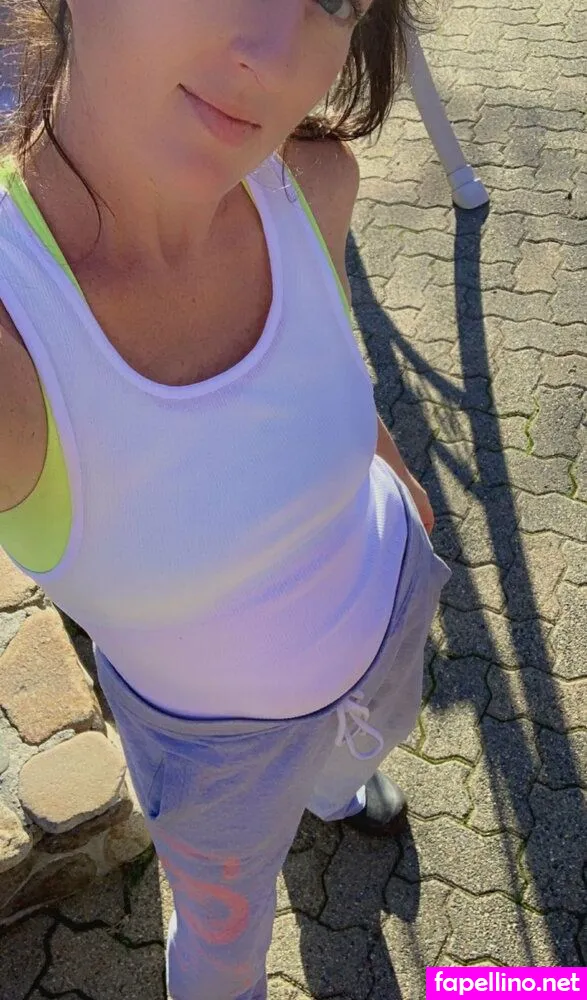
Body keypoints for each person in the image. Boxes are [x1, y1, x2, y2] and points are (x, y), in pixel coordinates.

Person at [0, 1, 450, 998]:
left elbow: (325, 352)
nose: (279, 56)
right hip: (216, 758)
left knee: (356, 749)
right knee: (222, 945)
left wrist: (387, 464)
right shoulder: (18, 336)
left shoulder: (310, 179)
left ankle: (335, 788)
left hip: (386, 605)